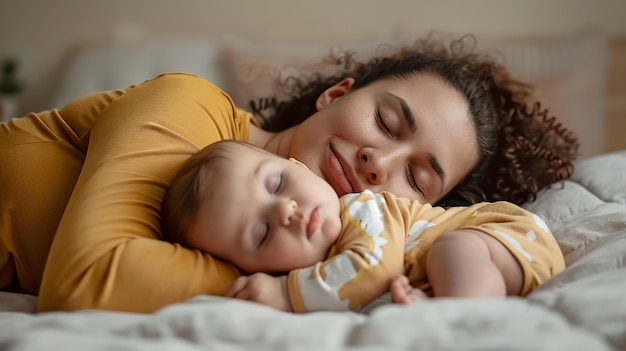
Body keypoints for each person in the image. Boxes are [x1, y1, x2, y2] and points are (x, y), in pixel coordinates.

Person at [0, 34, 578, 313]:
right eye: (385, 121)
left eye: (418, 178)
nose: (379, 164)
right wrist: (313, 295)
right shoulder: (189, 107)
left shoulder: (328, 244)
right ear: (334, 95)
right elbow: (87, 281)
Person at [161, 139, 565, 312]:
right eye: (262, 232)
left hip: (506, 234)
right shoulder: (324, 273)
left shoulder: (362, 210)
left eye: (278, 184)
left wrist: (286, 293)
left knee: (451, 250)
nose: (285, 212)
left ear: (297, 166)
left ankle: (466, 319)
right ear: (249, 267)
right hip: (493, 267)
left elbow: (373, 268)